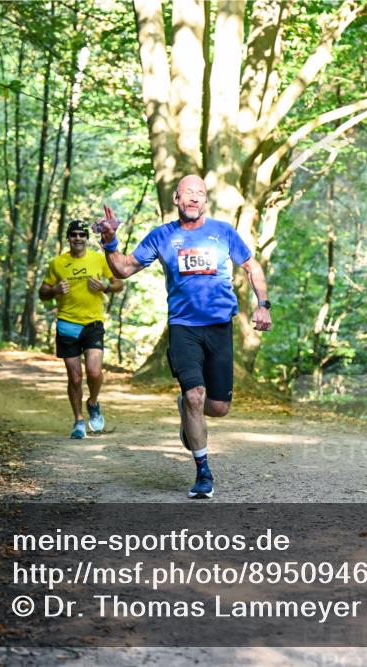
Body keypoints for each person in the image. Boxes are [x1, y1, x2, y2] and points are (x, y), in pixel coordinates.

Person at [96, 175, 272, 499]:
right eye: (187, 192)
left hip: (219, 327)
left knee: (218, 407)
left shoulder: (223, 232)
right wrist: (109, 243)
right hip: (183, 328)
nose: (193, 197)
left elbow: (252, 266)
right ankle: (203, 471)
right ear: (176, 199)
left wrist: (263, 305)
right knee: (195, 395)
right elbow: (123, 269)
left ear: (205, 201)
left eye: (200, 193)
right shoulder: (162, 236)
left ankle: (187, 408)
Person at [39, 220, 124, 439]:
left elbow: (119, 284)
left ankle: (93, 403)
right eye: (74, 234)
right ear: (68, 238)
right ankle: (78, 421)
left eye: (82, 234)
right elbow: (43, 292)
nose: (78, 238)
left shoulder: (99, 259)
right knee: (75, 378)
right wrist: (55, 290)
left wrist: (105, 287)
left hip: (93, 323)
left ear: (86, 238)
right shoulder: (57, 263)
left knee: (94, 372)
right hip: (67, 324)